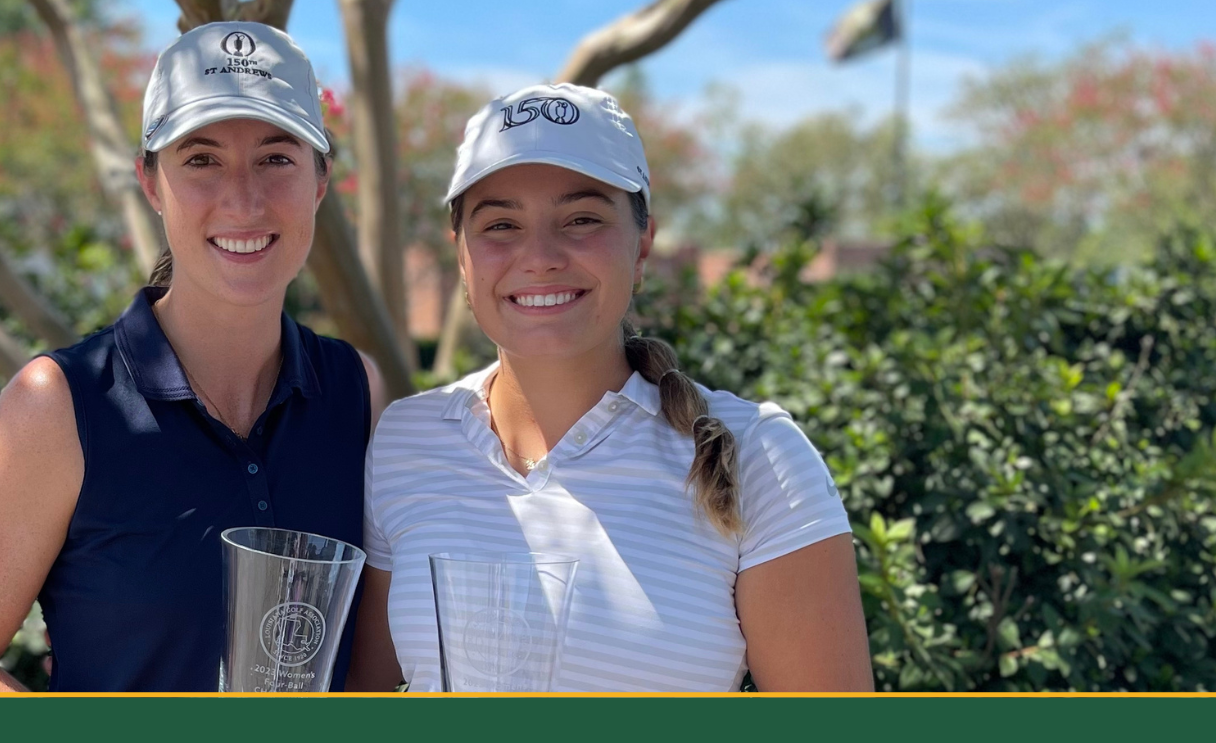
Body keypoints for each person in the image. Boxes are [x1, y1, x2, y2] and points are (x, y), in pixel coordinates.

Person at [0, 21, 386, 692]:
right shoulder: (59, 403)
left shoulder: (357, 392)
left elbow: (371, 672)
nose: (242, 198)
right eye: (201, 159)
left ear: (321, 181)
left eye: (277, 159)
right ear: (151, 184)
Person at [346, 84, 871, 693]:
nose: (539, 257)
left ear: (642, 245)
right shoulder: (406, 440)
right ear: (460, 255)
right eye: (500, 225)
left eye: (582, 220)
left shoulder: (761, 456)